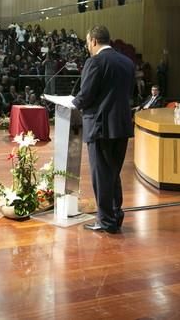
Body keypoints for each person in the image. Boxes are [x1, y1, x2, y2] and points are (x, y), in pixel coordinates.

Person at [72, 25, 134, 234]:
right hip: (122, 126)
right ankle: (115, 215)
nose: (88, 46)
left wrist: (73, 102)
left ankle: (106, 221)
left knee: (101, 175)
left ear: (94, 41)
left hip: (100, 127)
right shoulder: (127, 62)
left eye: (87, 42)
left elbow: (87, 95)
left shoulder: (95, 61)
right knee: (113, 174)